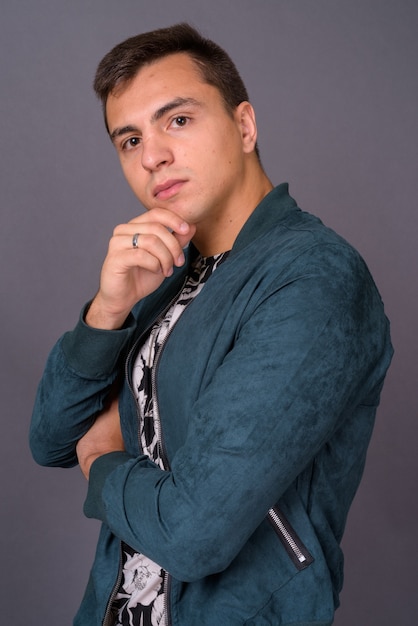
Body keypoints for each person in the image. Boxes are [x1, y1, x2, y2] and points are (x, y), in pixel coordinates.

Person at [30, 23, 393, 626]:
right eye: (129, 139)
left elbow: (194, 533)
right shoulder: (167, 271)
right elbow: (48, 439)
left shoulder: (314, 277)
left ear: (245, 125)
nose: (152, 156)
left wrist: (101, 458)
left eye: (177, 120)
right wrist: (108, 308)